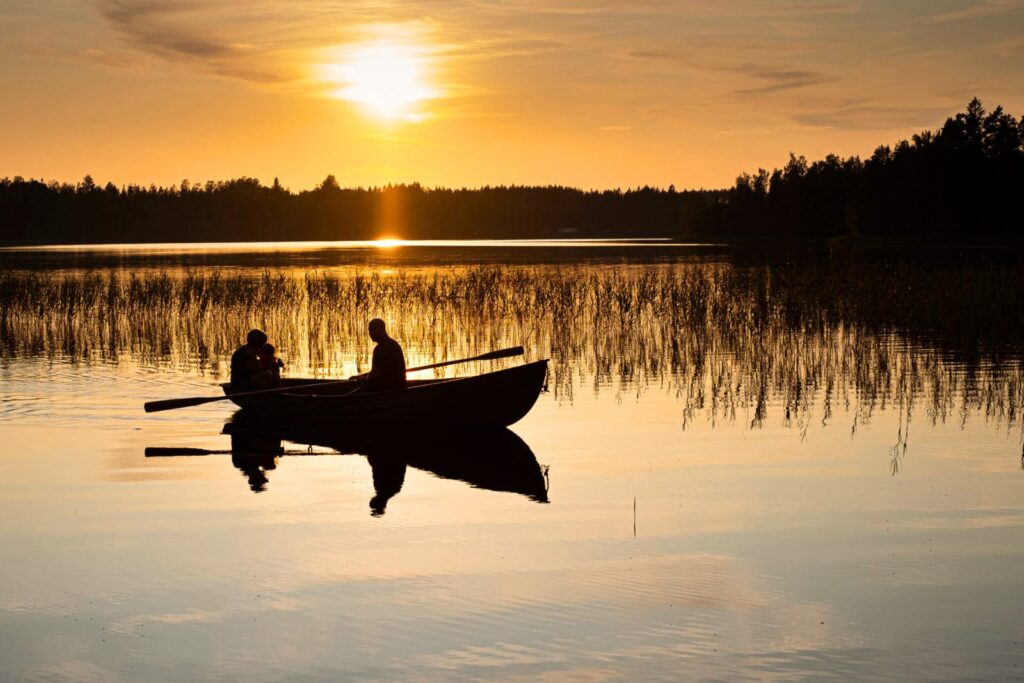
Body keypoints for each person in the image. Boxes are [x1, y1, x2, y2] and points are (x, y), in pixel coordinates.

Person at [360, 318, 407, 392]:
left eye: (372, 330)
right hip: (399, 385)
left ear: (380, 330)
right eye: (369, 331)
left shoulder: (380, 349)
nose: (370, 334)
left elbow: (375, 373)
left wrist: (363, 380)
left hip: (389, 388)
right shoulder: (393, 344)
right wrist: (362, 377)